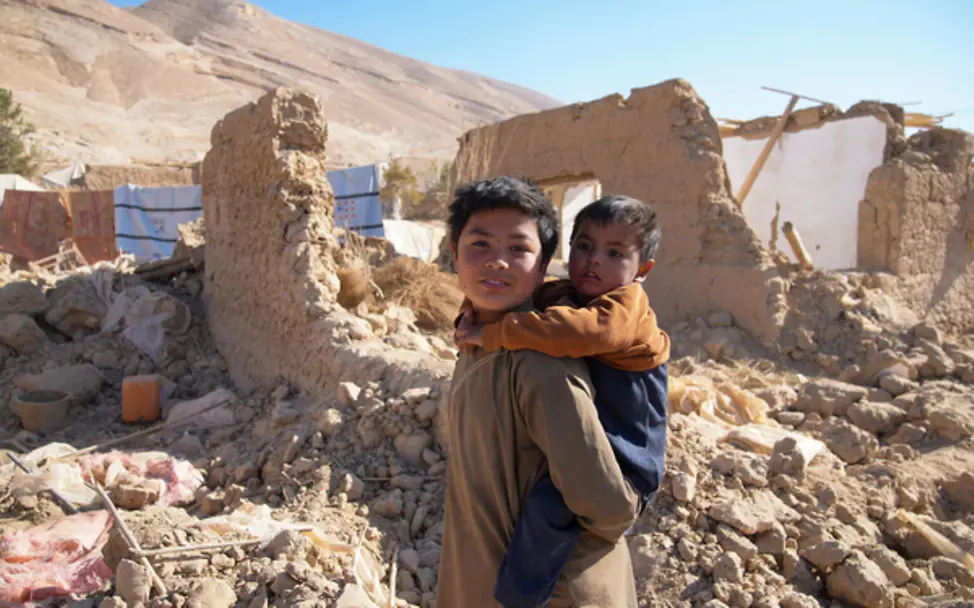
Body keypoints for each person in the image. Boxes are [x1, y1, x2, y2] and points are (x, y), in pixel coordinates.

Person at [455, 194, 670, 607]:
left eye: (614, 253)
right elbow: (517, 298)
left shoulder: (624, 310)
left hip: (629, 454)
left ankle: (520, 596)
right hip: (602, 438)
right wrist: (471, 314)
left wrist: (494, 335)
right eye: (584, 246)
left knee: (549, 508)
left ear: (642, 270)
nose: (593, 260)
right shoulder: (571, 295)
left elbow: (576, 332)